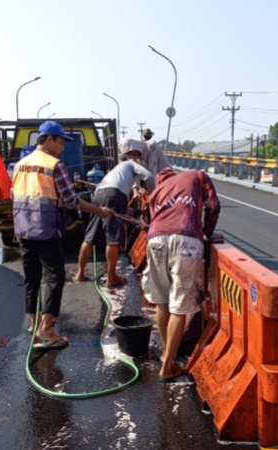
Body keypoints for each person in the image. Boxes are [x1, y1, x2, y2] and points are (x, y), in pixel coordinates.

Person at [12, 121, 114, 350]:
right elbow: (70, 200)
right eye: (60, 142)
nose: (63, 147)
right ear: (48, 140)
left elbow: (15, 195)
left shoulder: (20, 164)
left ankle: (34, 322)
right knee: (55, 277)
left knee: (32, 277)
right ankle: (46, 328)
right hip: (45, 229)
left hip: (23, 229)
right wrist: (99, 211)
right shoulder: (54, 165)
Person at [141, 167, 220, 381]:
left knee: (162, 302)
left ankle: (168, 354)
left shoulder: (156, 192)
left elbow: (153, 219)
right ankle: (168, 366)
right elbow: (213, 206)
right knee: (180, 304)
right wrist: (207, 233)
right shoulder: (197, 175)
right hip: (186, 239)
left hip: (155, 241)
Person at [75, 138, 154, 286]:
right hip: (114, 195)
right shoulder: (131, 164)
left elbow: (119, 212)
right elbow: (149, 176)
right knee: (113, 238)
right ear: (135, 155)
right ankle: (111, 278)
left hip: (99, 195)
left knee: (90, 237)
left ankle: (80, 273)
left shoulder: (118, 173)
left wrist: (138, 211)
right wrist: (156, 195)